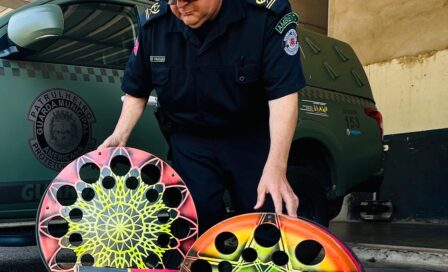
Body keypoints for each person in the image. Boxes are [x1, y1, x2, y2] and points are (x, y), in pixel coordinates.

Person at [100, 0, 306, 232]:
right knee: (190, 227)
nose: (180, 6)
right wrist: (120, 134)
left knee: (264, 224)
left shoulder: (264, 15)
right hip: (190, 141)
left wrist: (276, 167)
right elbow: (137, 89)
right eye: (173, 0)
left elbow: (283, 94)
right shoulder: (156, 24)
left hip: (249, 139)